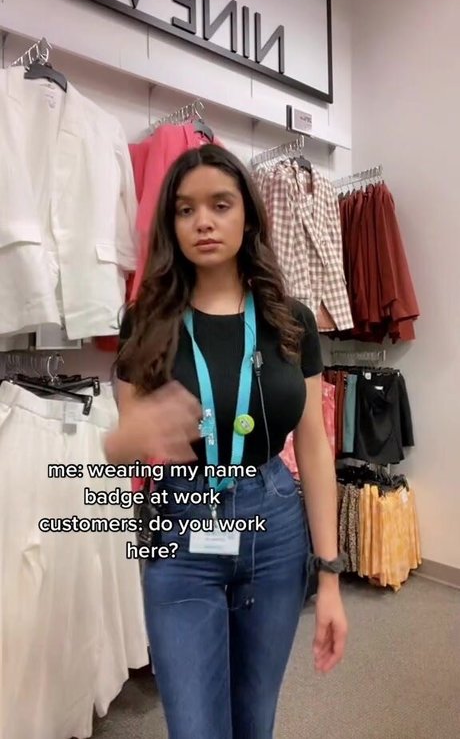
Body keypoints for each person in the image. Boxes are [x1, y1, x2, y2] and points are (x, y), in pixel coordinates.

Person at [104, 144, 348, 739]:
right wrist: (126, 438)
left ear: (248, 215)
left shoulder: (291, 320)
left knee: (254, 720)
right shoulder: (146, 320)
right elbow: (122, 447)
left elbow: (313, 448)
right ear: (171, 225)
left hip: (275, 528)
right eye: (186, 210)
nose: (203, 222)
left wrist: (330, 576)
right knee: (195, 727)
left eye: (220, 204)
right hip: (181, 529)